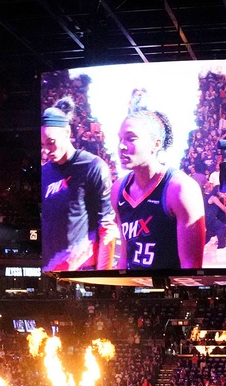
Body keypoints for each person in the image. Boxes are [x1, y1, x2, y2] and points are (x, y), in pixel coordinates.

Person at [113, 106, 205, 270]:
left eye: (130, 138)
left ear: (155, 144)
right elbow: (125, 258)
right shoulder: (118, 189)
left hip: (167, 291)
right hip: (134, 290)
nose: (121, 146)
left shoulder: (180, 188)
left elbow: (191, 267)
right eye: (120, 139)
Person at [40, 97, 118, 272]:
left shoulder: (93, 167)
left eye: (51, 143)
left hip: (83, 271)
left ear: (67, 132)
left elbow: (107, 226)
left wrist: (102, 278)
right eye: (43, 145)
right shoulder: (44, 173)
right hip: (51, 272)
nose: (46, 151)